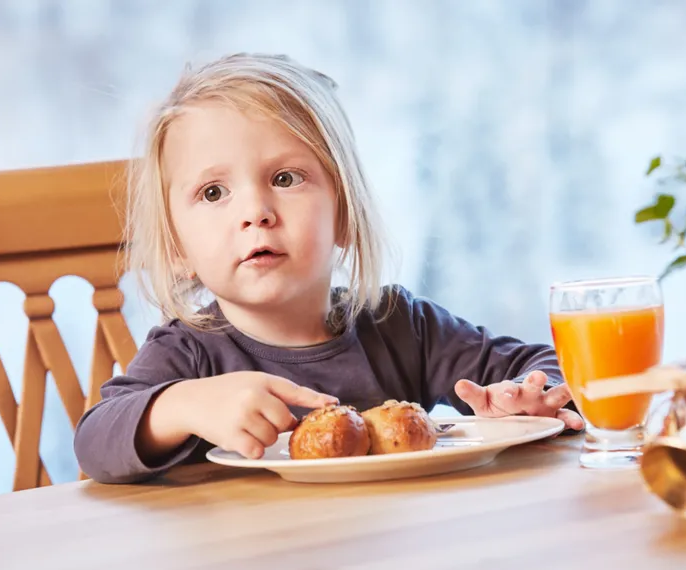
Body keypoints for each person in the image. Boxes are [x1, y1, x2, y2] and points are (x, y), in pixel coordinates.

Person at [74, 53, 583, 484]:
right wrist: (182, 406)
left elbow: (555, 370)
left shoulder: (399, 324)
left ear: (343, 214)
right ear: (177, 246)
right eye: (213, 193)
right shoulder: (188, 354)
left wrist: (526, 399)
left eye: (286, 177)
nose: (256, 211)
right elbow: (95, 443)